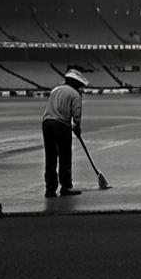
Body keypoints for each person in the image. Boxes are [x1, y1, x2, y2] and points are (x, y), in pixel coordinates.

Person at [41, 69, 88, 197]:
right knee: (65, 155)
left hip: (47, 123)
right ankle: (66, 186)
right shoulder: (75, 94)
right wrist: (77, 127)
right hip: (61, 124)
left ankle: (50, 189)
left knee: (50, 156)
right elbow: (76, 115)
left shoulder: (55, 90)